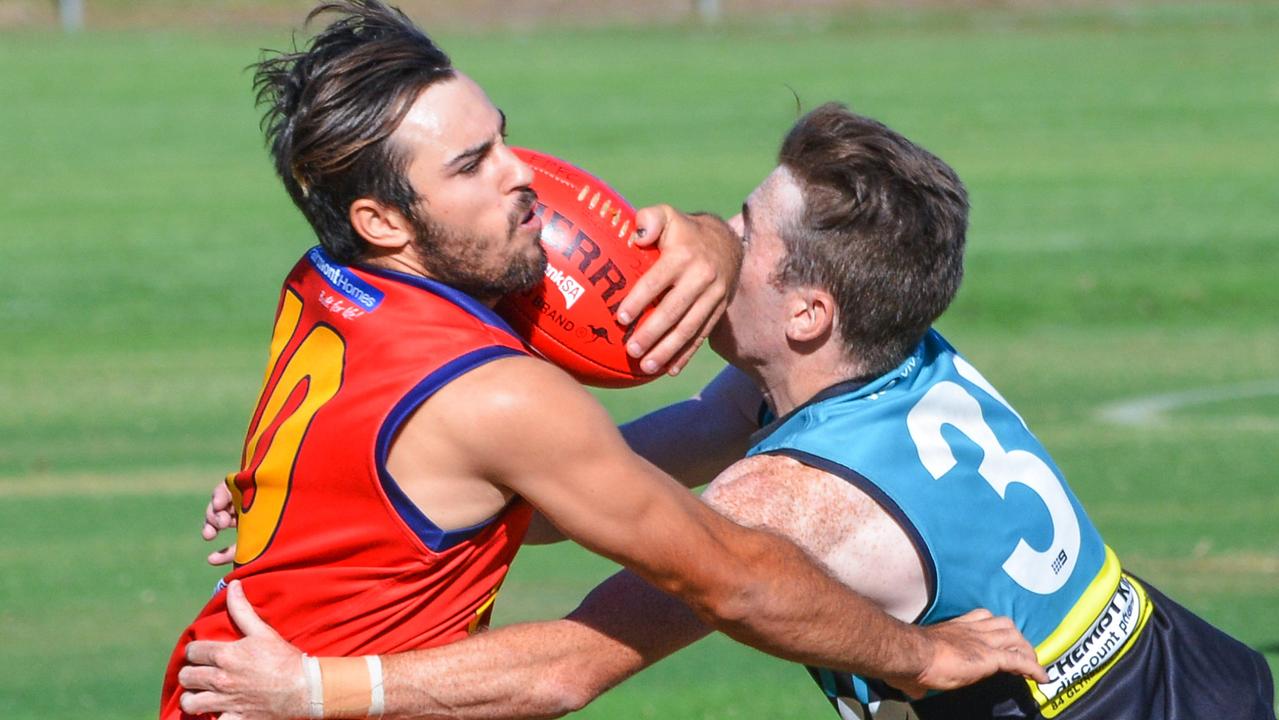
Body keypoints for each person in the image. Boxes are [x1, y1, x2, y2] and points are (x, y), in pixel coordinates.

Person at [180, 103, 1276, 720]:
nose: (706, 247)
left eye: (740, 235)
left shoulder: (785, 500)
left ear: (806, 312)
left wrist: (322, 688)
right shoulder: (883, 351)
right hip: (1197, 666)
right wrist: (333, 477)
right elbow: (567, 493)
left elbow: (563, 665)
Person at [159, 2, 1046, 719]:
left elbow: (434, 459)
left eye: (504, 138)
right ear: (383, 221)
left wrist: (709, 239)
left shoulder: (325, 275)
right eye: (472, 165)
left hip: (216, 673)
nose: (523, 177)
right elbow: (728, 581)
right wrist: (925, 655)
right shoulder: (500, 400)